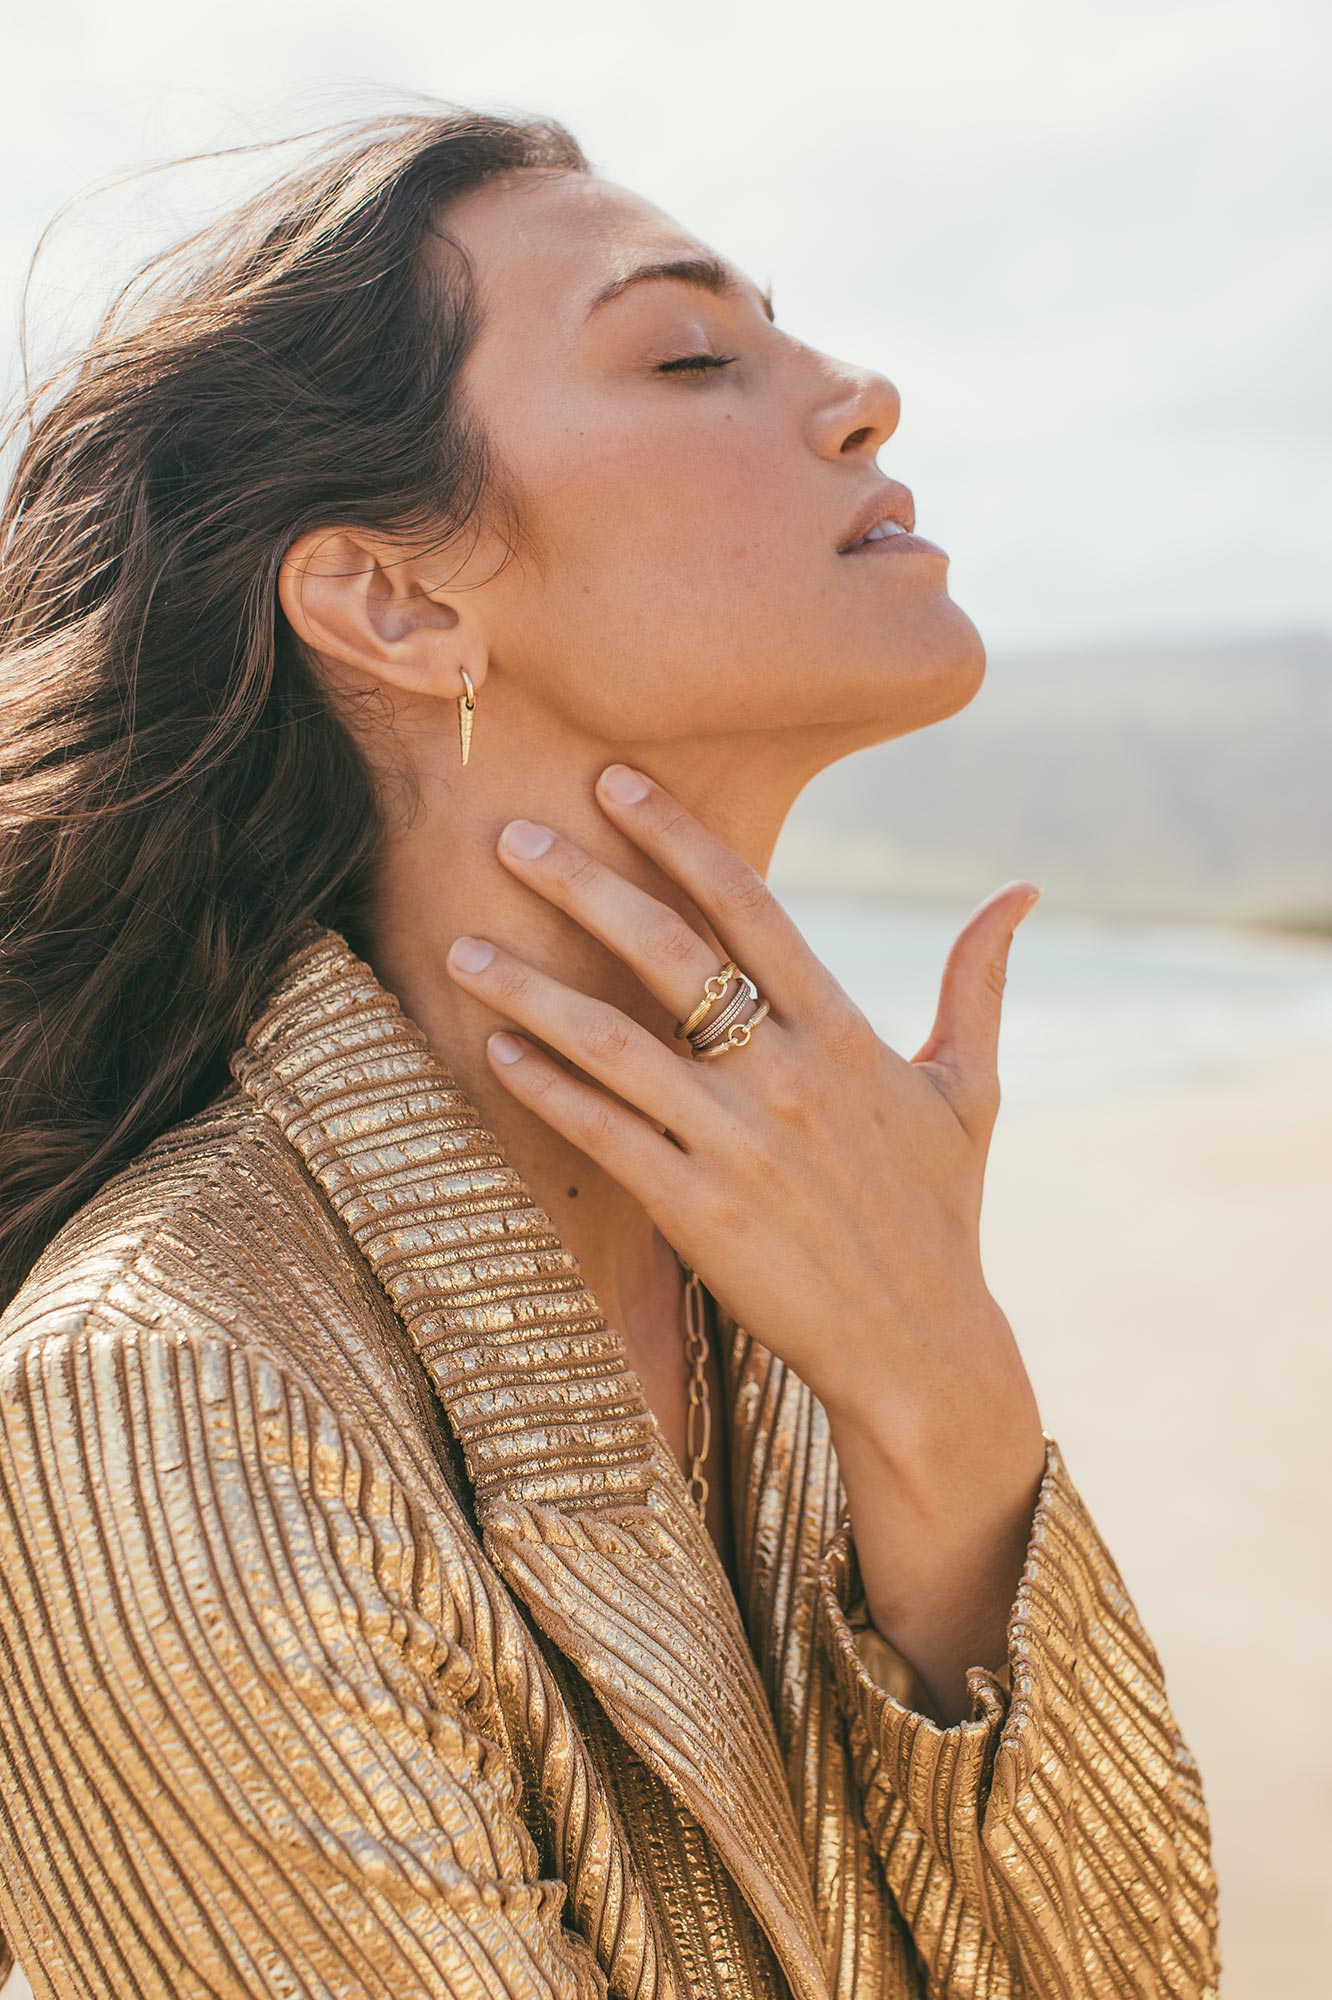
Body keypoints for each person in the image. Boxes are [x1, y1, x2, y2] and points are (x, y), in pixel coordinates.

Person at [0, 102, 1220, 1998]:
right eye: (688, 356)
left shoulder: (807, 1274)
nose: (862, 392)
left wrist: (946, 1409)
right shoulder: (168, 1396)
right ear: (393, 602)